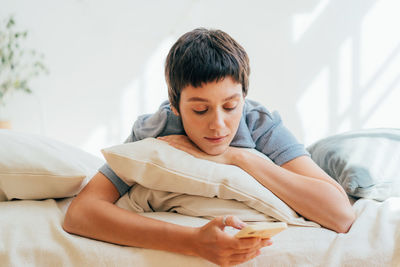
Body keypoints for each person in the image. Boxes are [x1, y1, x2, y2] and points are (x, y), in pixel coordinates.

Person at [63, 28, 355, 266]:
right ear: (175, 106)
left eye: (230, 106)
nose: (219, 125)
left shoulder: (258, 123)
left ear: (244, 96)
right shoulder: (157, 130)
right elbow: (81, 213)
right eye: (200, 110)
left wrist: (237, 157)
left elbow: (341, 215)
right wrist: (191, 242)